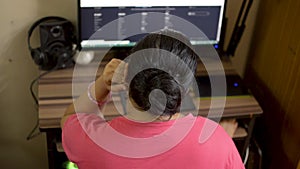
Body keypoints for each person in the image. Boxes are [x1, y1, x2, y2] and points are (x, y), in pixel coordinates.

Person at [61, 29, 245, 169]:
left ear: (127, 79)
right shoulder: (217, 140)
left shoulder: (95, 143)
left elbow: (69, 119)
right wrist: (220, 142)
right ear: (186, 89)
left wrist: (102, 83)